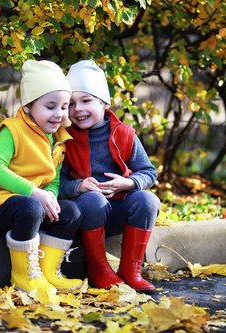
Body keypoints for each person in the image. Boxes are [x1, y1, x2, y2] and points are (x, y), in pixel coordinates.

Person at [0, 60, 83, 294]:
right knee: (30, 206)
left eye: (64, 107)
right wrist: (36, 193)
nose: (59, 114)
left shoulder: (59, 139)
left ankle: (48, 273)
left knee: (71, 212)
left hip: (32, 205)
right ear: (30, 105)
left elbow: (52, 180)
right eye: (50, 106)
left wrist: (50, 199)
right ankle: (24, 277)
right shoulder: (12, 130)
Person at [59, 59, 161, 291]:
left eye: (86, 101)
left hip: (118, 211)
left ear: (105, 103)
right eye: (71, 104)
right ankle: (98, 269)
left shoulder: (124, 134)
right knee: (93, 199)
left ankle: (130, 269)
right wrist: (78, 187)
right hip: (86, 214)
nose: (78, 110)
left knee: (148, 199)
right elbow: (58, 183)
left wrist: (128, 182)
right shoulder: (64, 138)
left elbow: (149, 172)